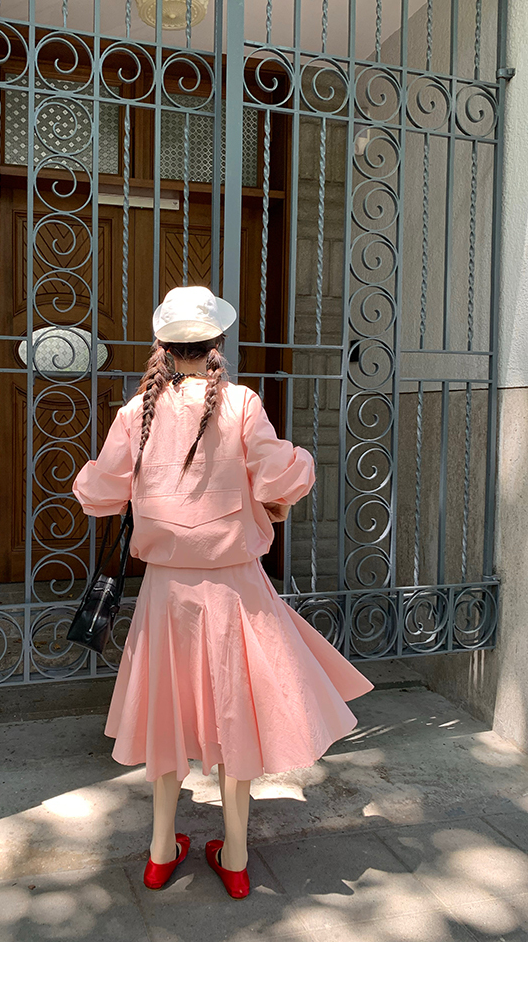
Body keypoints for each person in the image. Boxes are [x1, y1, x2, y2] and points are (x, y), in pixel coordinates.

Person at [72, 286, 374, 900]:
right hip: (236, 588)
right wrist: (297, 469)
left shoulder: (137, 412)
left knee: (165, 717)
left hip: (166, 592)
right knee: (237, 714)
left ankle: (161, 853)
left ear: (163, 345)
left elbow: (98, 492)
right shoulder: (241, 404)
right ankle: (234, 857)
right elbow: (281, 475)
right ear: (217, 342)